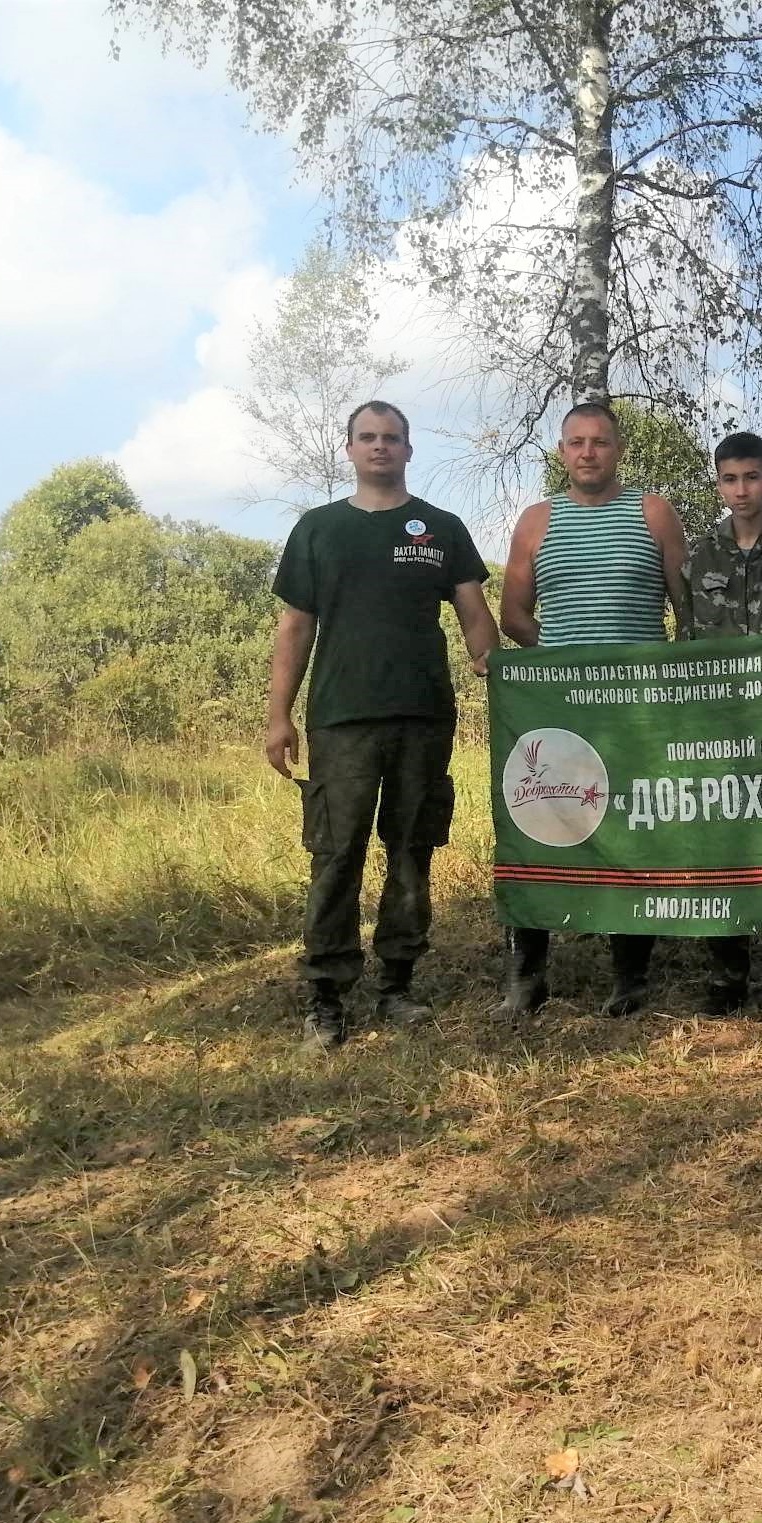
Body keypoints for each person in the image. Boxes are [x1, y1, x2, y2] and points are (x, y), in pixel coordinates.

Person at [267, 400, 500, 1054]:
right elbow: (295, 626)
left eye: (391, 438)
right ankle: (326, 998)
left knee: (411, 851)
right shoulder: (319, 529)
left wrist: (492, 663)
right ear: (349, 448)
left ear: (408, 449)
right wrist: (278, 714)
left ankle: (397, 985)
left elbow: (473, 612)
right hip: (341, 720)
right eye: (367, 438)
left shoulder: (441, 528)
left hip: (423, 717)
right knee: (335, 856)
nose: (379, 447)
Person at [498, 402, 691, 1017]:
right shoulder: (535, 522)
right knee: (541, 829)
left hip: (638, 709)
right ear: (562, 452)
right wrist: (562, 668)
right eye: (577, 442)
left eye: (600, 442)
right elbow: (513, 616)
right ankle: (527, 976)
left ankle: (629, 979)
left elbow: (687, 611)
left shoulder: (653, 512)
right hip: (557, 712)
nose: (588, 452)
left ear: (618, 450)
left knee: (631, 832)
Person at [683, 431, 762, 1016]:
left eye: (752, 477)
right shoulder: (700, 556)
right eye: (730, 479)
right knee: (722, 842)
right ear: (718, 484)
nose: (741, 490)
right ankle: (726, 971)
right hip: (717, 726)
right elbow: (685, 642)